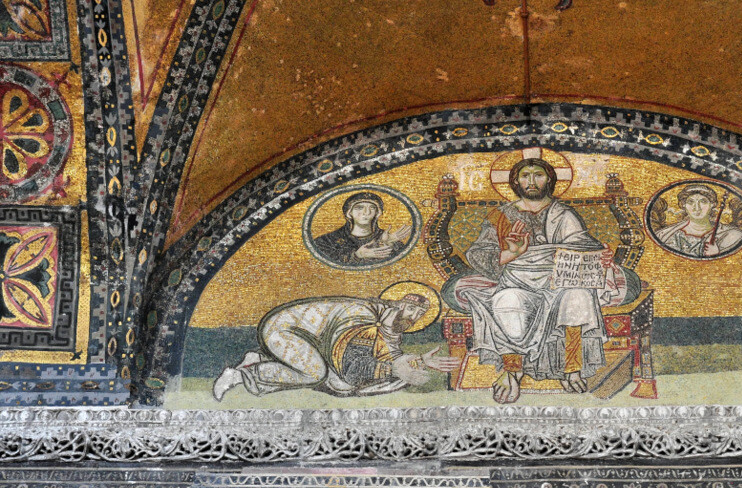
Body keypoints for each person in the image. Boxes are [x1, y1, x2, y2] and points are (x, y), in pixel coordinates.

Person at [452, 157, 638, 404]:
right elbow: (478, 254)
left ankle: (571, 369)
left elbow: (582, 246)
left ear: (549, 179)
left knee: (578, 297)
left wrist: (600, 256)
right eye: (524, 176)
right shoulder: (501, 215)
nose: (531, 181)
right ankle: (512, 369)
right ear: (515, 181)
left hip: (560, 280)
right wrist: (512, 253)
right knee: (507, 301)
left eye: (537, 175)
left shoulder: (563, 214)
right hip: (517, 279)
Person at [212, 292, 460, 400]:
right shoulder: (363, 316)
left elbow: (390, 356)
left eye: (419, 313)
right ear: (398, 304)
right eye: (411, 308)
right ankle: (240, 375)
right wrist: (395, 370)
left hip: (310, 341)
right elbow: (352, 368)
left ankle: (259, 360)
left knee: (341, 383)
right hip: (284, 331)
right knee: (316, 374)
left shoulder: (387, 324)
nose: (414, 316)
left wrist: (419, 361)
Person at [311, 191, 412, 266]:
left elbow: (403, 266)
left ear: (377, 213)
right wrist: (357, 256)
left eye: (372, 208)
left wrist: (387, 244)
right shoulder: (327, 240)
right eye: (359, 207)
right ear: (349, 212)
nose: (366, 212)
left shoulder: (389, 239)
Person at [654, 184, 742, 258]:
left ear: (712, 205)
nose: (697, 208)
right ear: (683, 205)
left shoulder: (732, 235)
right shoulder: (666, 235)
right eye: (690, 202)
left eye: (703, 201)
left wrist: (717, 254)